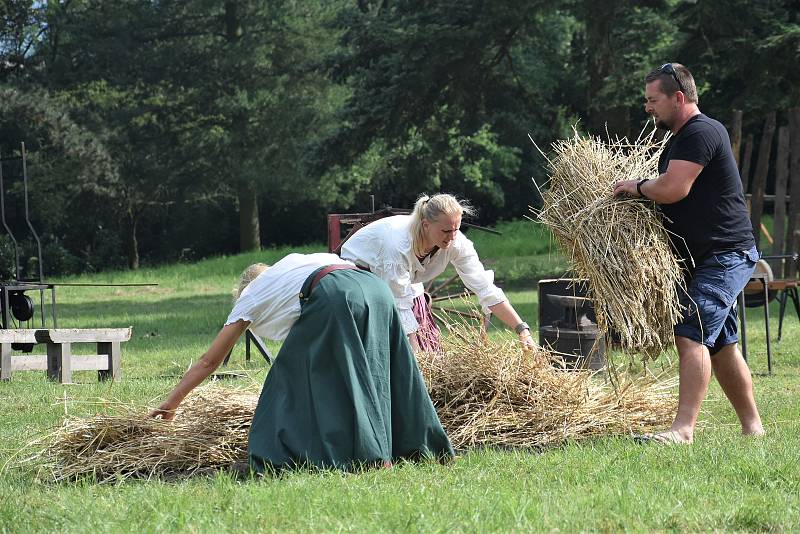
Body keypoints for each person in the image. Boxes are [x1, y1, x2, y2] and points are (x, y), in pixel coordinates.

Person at [150, 252, 454, 472]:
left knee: (287, 380)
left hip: (334, 293)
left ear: (243, 290)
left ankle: (279, 456)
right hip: (374, 288)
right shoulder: (293, 265)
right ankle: (415, 447)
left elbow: (208, 361)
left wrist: (172, 402)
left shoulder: (251, 296)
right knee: (379, 371)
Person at [613, 63, 764, 443]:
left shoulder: (700, 132)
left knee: (692, 328)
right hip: (706, 257)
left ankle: (683, 430)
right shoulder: (682, 137)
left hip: (725, 254)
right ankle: (753, 428)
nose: (648, 108)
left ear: (678, 97)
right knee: (723, 345)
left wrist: (634, 186)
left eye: (653, 100)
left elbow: (673, 189)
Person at [340, 193, 535, 353]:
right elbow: (399, 306)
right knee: (399, 355)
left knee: (426, 345)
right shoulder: (397, 246)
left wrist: (522, 330)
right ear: (426, 225)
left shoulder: (456, 242)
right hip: (360, 280)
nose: (452, 237)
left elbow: (484, 287)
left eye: (456, 229)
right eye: (445, 231)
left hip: (404, 282)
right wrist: (418, 365)